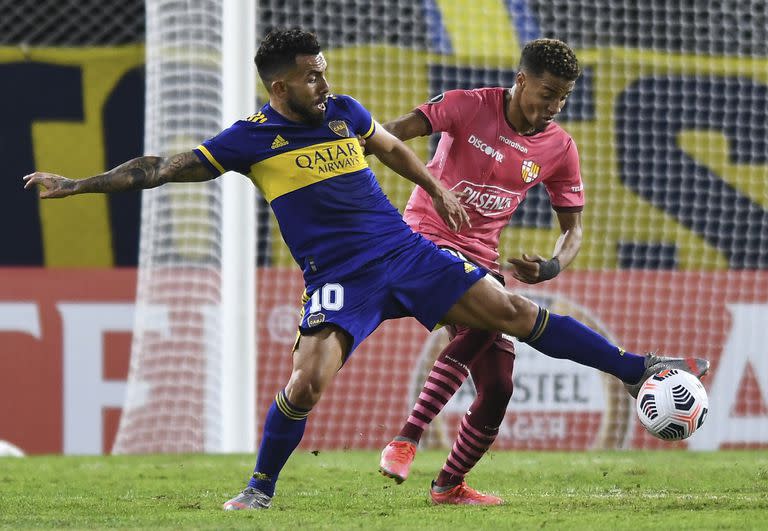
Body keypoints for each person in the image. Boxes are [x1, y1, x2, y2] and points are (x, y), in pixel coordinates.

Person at [23, 29, 708, 511]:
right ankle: (260, 486)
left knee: (510, 313)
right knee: (307, 381)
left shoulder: (346, 112)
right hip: (339, 275)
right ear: (282, 83)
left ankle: (635, 366)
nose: (327, 81)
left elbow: (389, 148)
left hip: (404, 250)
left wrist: (436, 187)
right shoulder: (247, 140)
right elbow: (160, 169)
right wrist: (79, 184)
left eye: (325, 69)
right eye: (313, 74)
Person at [377, 38, 585, 505]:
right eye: (547, 92)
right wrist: (343, 153)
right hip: (427, 240)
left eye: (563, 97)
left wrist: (551, 266)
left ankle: (448, 486)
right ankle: (406, 437)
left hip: (482, 258)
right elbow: (388, 136)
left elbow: (573, 232)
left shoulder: (558, 147)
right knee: (489, 316)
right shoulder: (466, 106)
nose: (553, 106)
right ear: (521, 80)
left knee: (498, 387)